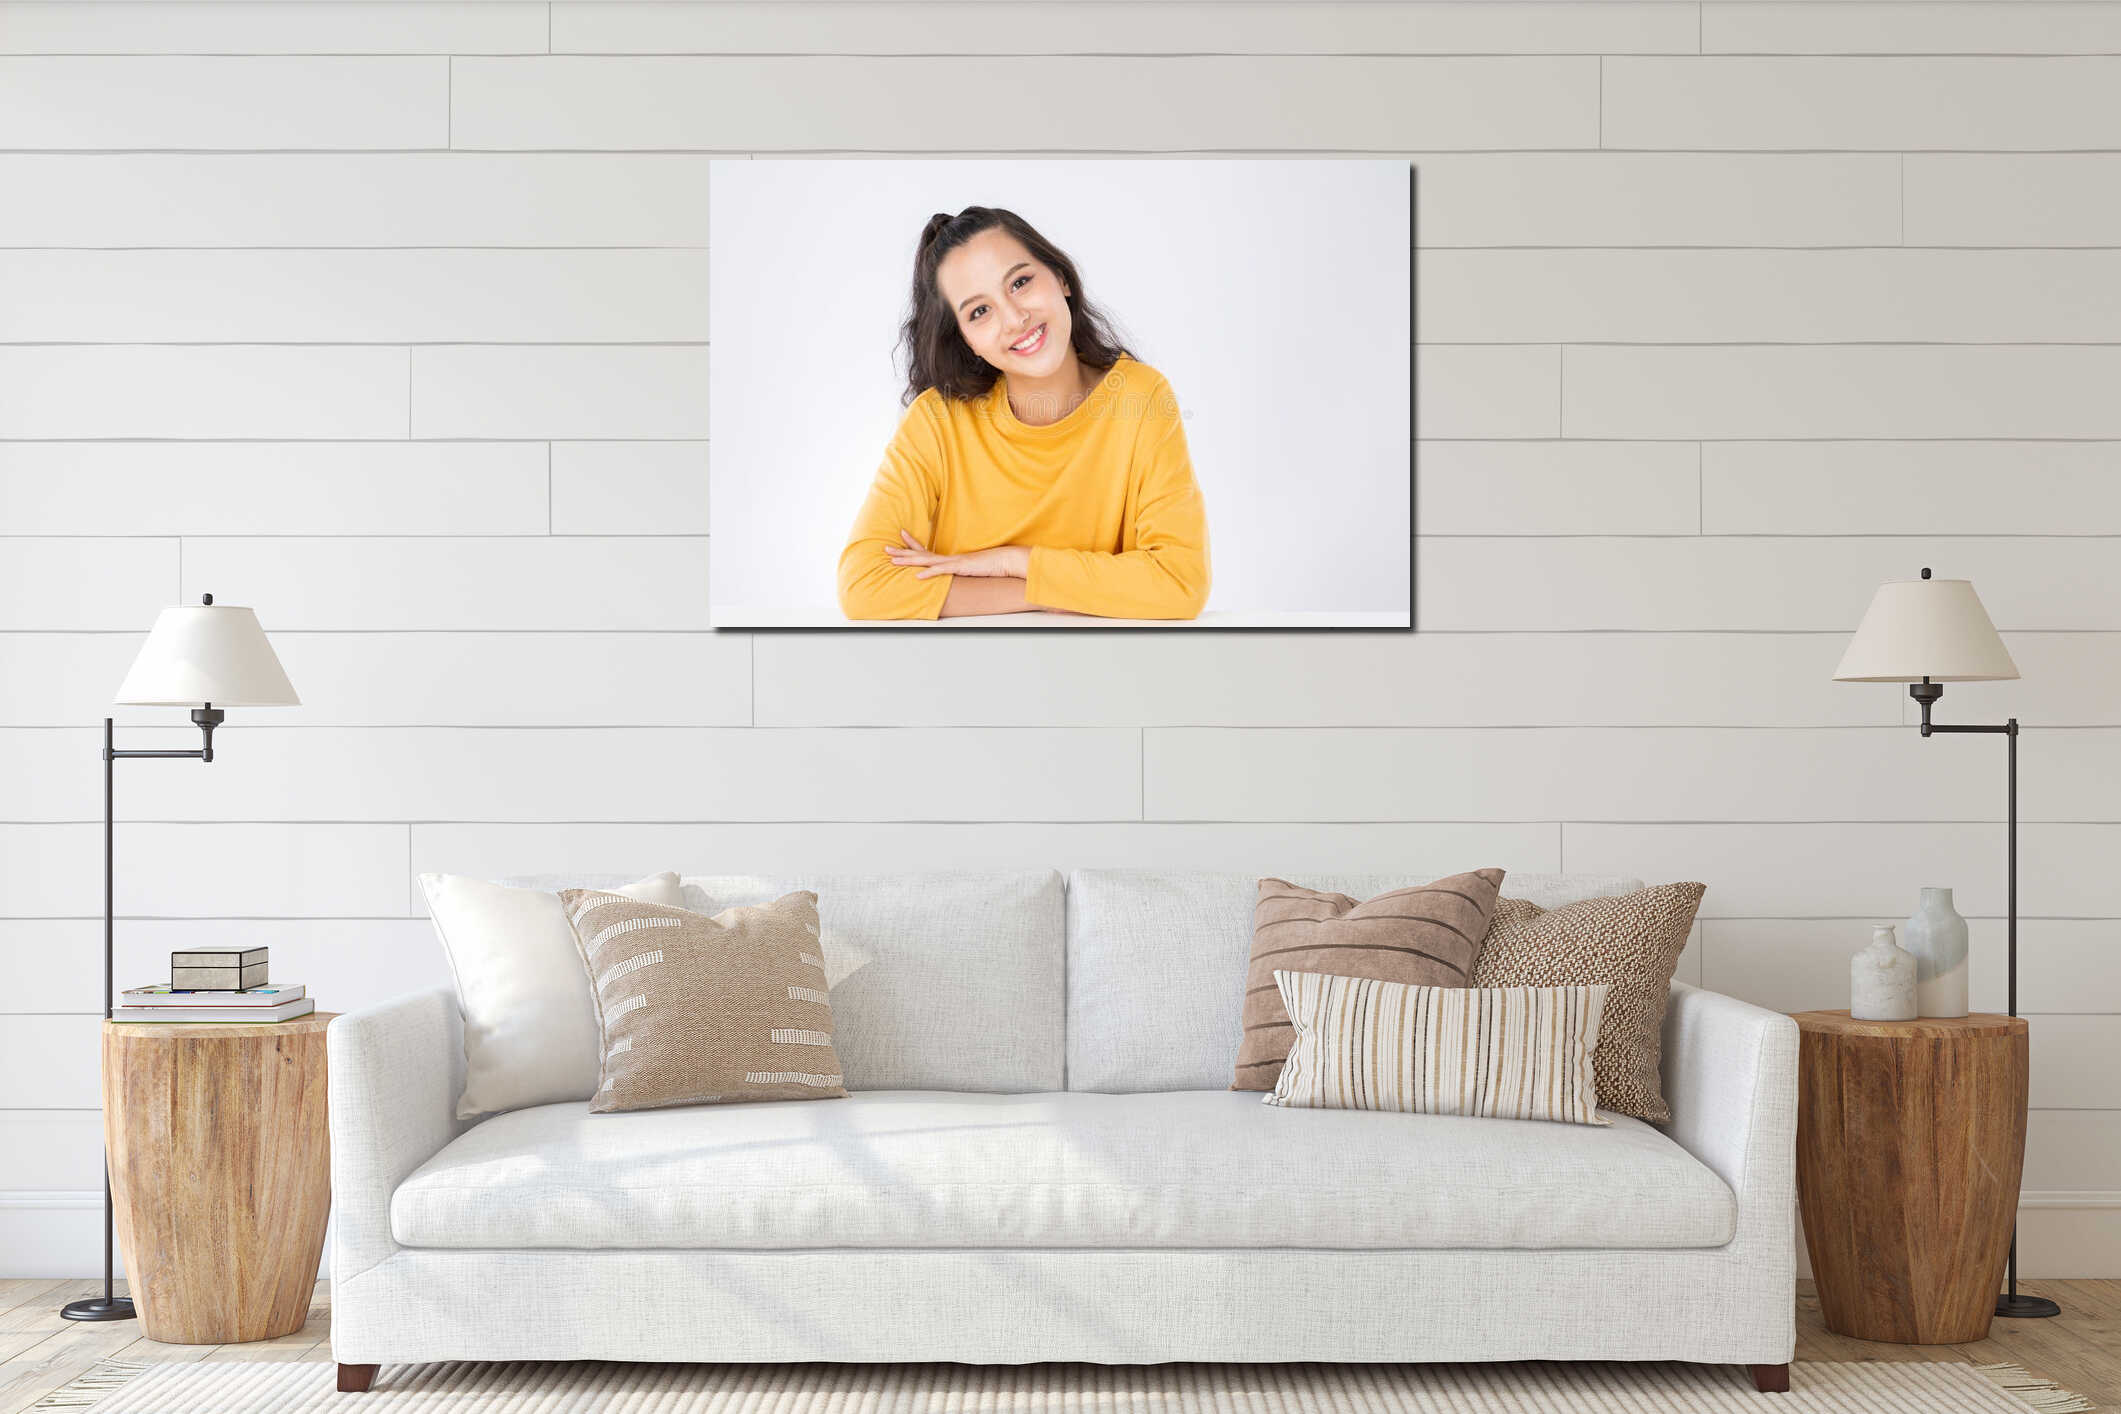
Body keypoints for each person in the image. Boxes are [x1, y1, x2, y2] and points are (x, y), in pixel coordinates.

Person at [836, 206, 1211, 621]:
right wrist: (1039, 591)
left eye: (1020, 282)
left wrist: (1015, 562)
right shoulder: (936, 421)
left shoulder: (1140, 398)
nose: (1015, 319)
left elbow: (1179, 582)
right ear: (966, 341)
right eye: (979, 311)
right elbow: (864, 587)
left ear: (1061, 278)